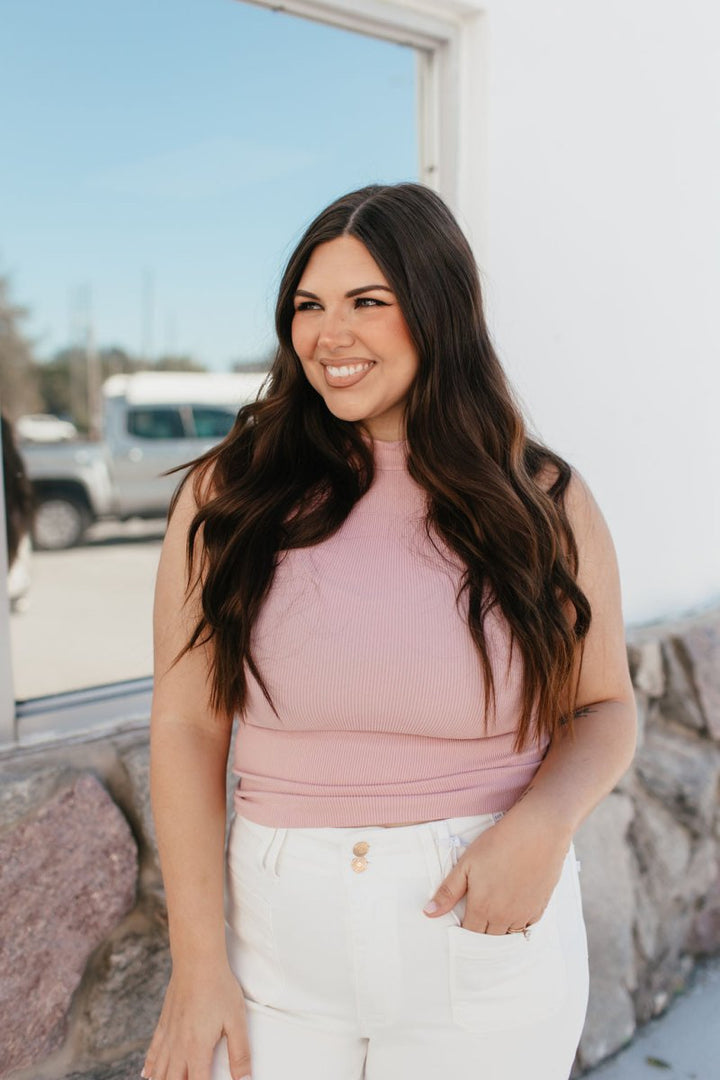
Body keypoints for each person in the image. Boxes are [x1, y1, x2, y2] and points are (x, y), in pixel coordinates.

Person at [143, 182, 637, 1080]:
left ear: (439, 308)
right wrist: (197, 964)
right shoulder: (229, 497)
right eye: (309, 305)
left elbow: (605, 707)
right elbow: (186, 725)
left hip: (481, 923)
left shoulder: (543, 499)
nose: (331, 334)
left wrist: (544, 826)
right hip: (276, 945)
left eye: (369, 302)